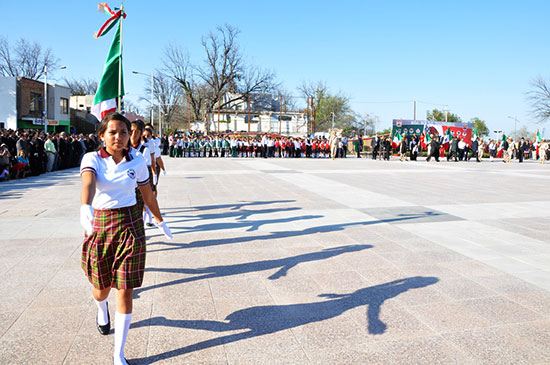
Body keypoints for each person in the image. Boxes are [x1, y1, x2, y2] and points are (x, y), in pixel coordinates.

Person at [79, 113, 172, 365]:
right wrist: (85, 206)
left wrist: (160, 220)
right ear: (102, 135)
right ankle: (101, 309)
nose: (119, 137)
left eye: (123, 132)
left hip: (131, 225)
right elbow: (88, 182)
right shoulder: (92, 158)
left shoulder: (137, 160)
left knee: (125, 290)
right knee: (101, 290)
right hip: (101, 225)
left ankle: (118, 354)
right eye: (112, 132)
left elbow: (148, 195)